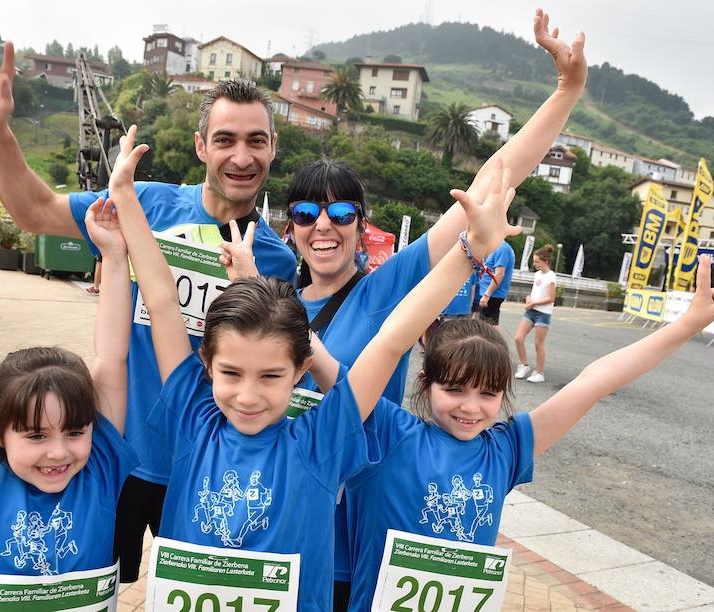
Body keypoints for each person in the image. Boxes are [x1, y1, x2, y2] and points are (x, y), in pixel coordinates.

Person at [107, 127, 519, 609]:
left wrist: (471, 252)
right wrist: (124, 198)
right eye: (232, 373)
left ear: (301, 370)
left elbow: (391, 342)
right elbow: (161, 300)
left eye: (271, 376)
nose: (247, 395)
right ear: (206, 365)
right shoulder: (193, 416)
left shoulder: (320, 441)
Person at [281, 9, 586, 605]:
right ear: (288, 227)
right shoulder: (272, 303)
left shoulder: (391, 287)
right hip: (279, 524)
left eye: (342, 214)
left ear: (361, 226)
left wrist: (566, 90)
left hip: (354, 536)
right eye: (306, 214)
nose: (324, 227)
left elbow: (493, 181)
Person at [0, 38, 297, 581]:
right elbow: (33, 209)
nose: (241, 156)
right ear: (200, 146)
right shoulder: (147, 206)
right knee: (90, 587)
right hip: (115, 456)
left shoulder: (277, 262)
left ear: (273, 148)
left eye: (256, 140)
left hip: (205, 469)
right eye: (225, 139)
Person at [338, 255, 714, 610]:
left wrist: (686, 326)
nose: (471, 407)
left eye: (488, 394)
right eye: (454, 389)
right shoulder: (386, 432)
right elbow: (386, 347)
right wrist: (465, 249)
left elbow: (593, 381)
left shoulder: (505, 450)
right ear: (425, 383)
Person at [0, 165, 137, 611]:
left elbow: (112, 358)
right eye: (35, 435)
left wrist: (114, 258)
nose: (58, 452)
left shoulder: (101, 468)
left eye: (75, 432)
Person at [514, 244, 557, 382]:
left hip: (543, 313)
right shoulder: (537, 274)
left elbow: (551, 298)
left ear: (546, 261)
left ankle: (539, 372)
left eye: (537, 261)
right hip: (531, 311)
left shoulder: (551, 277)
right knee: (518, 338)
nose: (535, 264)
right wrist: (529, 299)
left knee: (539, 344)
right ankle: (524, 365)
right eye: (534, 261)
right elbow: (536, 292)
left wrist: (534, 303)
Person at [473, 238, 516, 326]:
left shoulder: (502, 248)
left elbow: (499, 274)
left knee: (488, 326)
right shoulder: (498, 248)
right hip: (489, 293)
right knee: (483, 324)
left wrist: (487, 295)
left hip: (493, 295)